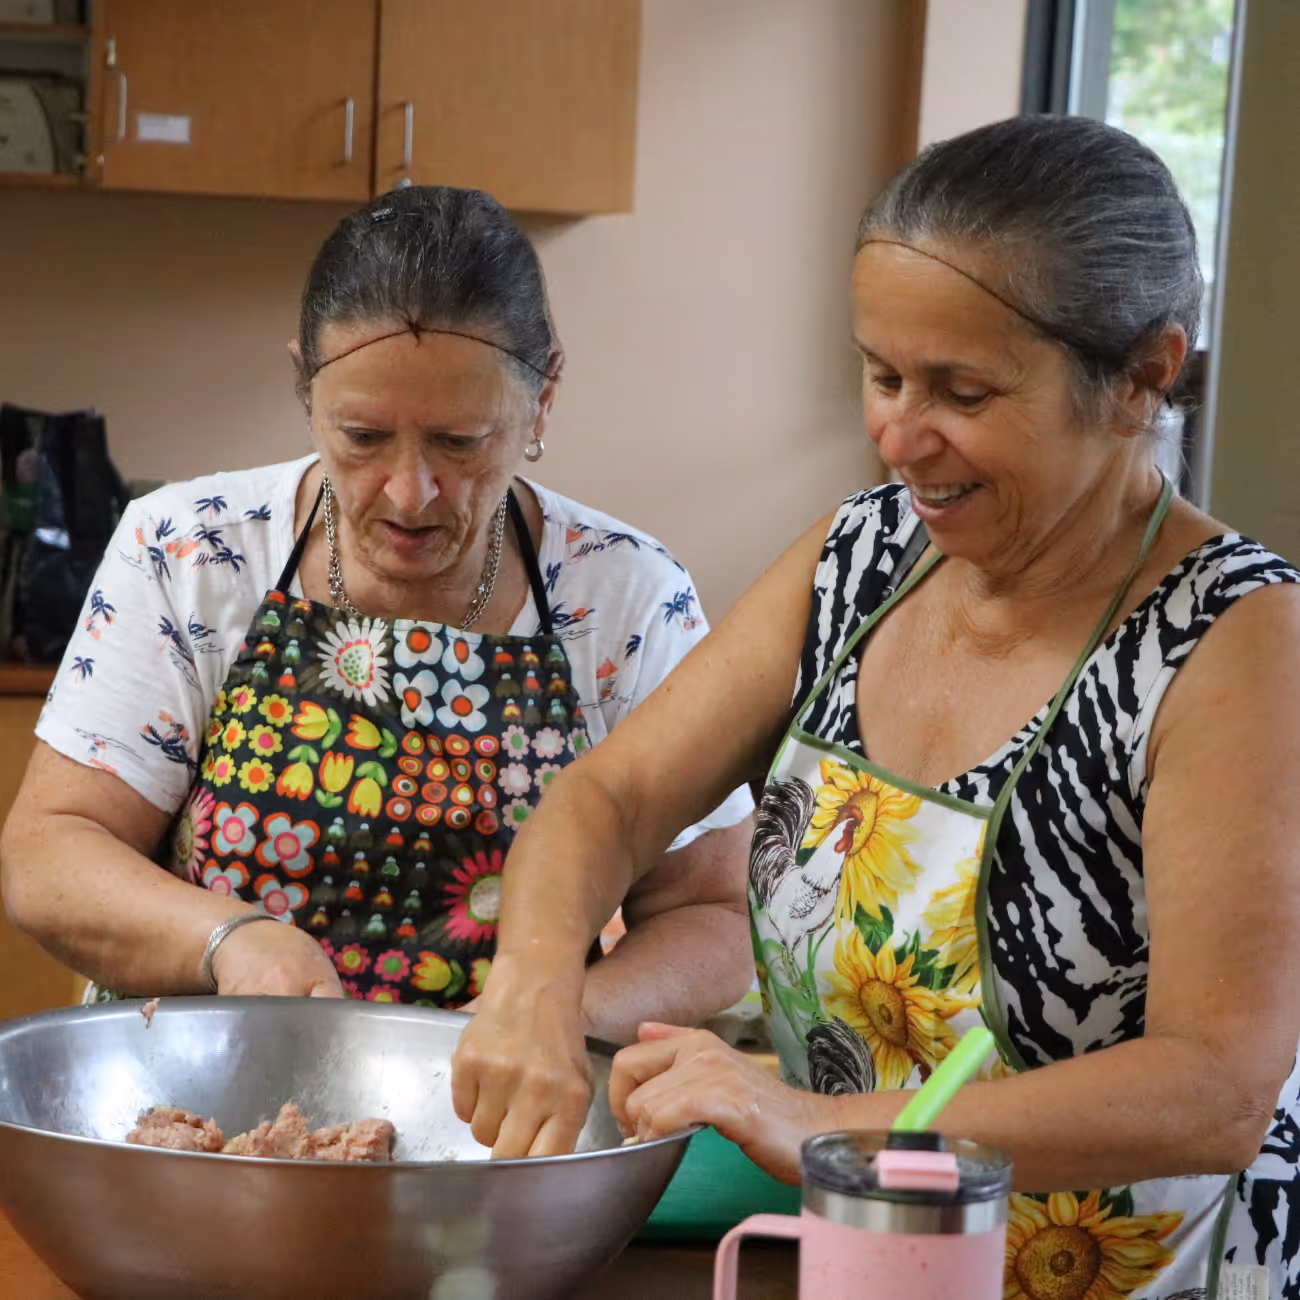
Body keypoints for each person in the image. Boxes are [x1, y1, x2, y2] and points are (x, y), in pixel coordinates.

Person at [451, 117, 1300, 1298]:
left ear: (1142, 376)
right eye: (882, 373)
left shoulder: (1233, 640)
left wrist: (812, 1122)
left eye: (963, 390)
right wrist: (534, 986)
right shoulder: (861, 559)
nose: (896, 435)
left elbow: (1213, 1088)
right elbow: (614, 796)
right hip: (877, 1262)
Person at [0, 185, 753, 1037]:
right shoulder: (189, 551)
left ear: (543, 396)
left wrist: (548, 1017)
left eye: (459, 442)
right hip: (206, 1081)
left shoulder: (625, 594)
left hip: (494, 1103)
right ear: (305, 385)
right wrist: (229, 940)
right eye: (362, 437)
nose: (408, 492)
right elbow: (50, 851)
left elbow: (714, 911)